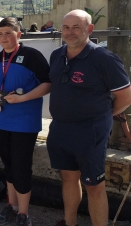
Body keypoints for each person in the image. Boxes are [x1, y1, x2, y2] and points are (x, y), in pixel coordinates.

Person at [47, 9, 131, 226]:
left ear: (89, 29)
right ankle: (70, 222)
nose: (70, 32)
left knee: (94, 185)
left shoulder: (104, 58)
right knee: (68, 178)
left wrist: (105, 114)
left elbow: (125, 95)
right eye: (66, 27)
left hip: (90, 131)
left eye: (76, 27)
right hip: (60, 128)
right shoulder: (57, 55)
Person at [0, 17, 51, 226]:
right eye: (0, 33)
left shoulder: (31, 55)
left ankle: (23, 213)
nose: (3, 37)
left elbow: (48, 84)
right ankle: (11, 206)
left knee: (21, 168)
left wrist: (22, 98)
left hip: (24, 123)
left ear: (19, 35)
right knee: (9, 166)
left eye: (8, 33)